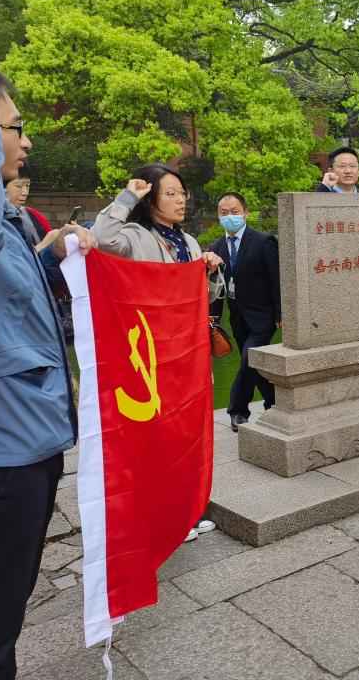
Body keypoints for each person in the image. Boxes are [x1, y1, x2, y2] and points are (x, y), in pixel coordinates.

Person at [0, 71, 96, 680]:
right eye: (14, 127)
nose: (25, 141)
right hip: (5, 452)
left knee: (8, 606)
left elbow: (11, 293)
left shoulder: (8, 224)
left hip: (29, 437)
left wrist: (50, 256)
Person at [93, 163, 224, 542]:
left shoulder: (190, 242)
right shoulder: (135, 237)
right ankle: (163, 518)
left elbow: (205, 298)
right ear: (150, 200)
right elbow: (101, 239)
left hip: (189, 353)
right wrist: (127, 196)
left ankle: (189, 511)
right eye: (170, 193)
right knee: (159, 439)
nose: (180, 200)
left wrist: (212, 271)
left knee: (189, 435)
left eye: (182, 193)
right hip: (153, 356)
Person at [209, 192, 281, 433]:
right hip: (237, 316)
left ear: (246, 214)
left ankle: (238, 410)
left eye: (235, 212)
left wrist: (281, 314)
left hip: (264, 316)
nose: (229, 216)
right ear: (218, 215)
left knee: (248, 359)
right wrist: (213, 318)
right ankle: (275, 402)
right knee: (254, 364)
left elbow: (276, 280)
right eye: (224, 213)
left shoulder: (263, 241)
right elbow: (215, 287)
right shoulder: (217, 247)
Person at [4, 160, 51, 247]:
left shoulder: (33, 214)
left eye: (27, 185)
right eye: (18, 186)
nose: (25, 192)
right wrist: (45, 244)